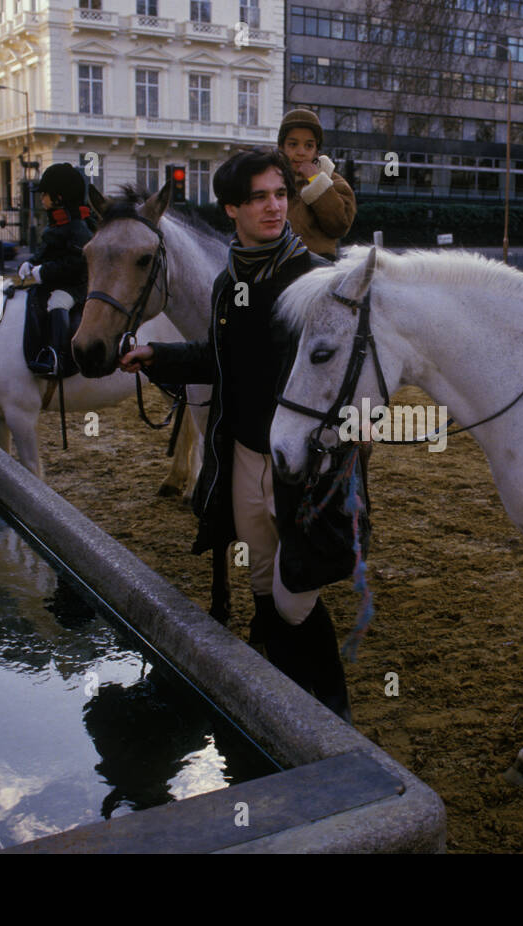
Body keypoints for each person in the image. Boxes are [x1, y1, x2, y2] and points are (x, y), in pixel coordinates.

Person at [118, 147, 352, 721]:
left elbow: (348, 373)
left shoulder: (318, 280)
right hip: (244, 452)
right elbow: (219, 358)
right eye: (259, 198)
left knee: (296, 593)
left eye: (280, 195)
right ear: (231, 209)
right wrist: (159, 355)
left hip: (301, 461)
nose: (274, 207)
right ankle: (282, 704)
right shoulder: (230, 284)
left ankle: (329, 709)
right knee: (261, 581)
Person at [19, 162, 94, 376]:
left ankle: (56, 357)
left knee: (56, 303)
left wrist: (43, 272)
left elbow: (77, 263)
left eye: (45, 194)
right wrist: (31, 263)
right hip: (58, 281)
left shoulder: (78, 227)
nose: (41, 199)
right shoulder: (57, 223)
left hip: (75, 286)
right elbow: (46, 251)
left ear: (59, 198)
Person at [277, 108, 356, 260]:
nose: (301, 152)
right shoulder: (271, 182)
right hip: (276, 264)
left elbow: (339, 225)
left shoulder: (334, 182)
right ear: (282, 147)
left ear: (316, 151)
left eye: (309, 146)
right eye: (293, 145)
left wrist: (316, 182)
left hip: (318, 268)